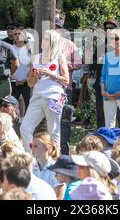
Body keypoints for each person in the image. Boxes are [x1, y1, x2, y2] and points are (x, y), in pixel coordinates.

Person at [20, 30, 69, 152]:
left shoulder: (59, 57)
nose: (43, 41)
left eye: (46, 39)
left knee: (54, 130)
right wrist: (35, 76)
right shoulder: (35, 58)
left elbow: (66, 81)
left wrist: (52, 75)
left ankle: (55, 159)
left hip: (55, 97)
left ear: (53, 43)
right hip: (37, 97)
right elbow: (30, 83)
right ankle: (32, 157)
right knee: (25, 128)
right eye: (44, 38)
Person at [82, 19, 120, 129]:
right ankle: (102, 139)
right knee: (102, 115)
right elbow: (93, 67)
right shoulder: (101, 46)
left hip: (119, 86)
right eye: (106, 29)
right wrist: (98, 62)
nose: (108, 30)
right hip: (102, 85)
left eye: (111, 28)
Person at [55, 16, 83, 155]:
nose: (56, 30)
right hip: (50, 89)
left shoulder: (69, 44)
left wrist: (65, 65)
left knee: (65, 119)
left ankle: (64, 151)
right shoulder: (46, 44)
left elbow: (79, 63)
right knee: (51, 118)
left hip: (65, 89)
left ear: (62, 30)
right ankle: (53, 149)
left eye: (58, 28)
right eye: (54, 27)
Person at [10, 27, 32, 114]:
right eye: (15, 34)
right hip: (13, 81)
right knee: (10, 104)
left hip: (27, 81)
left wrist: (26, 78)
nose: (17, 36)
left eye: (20, 34)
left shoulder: (30, 49)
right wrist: (12, 78)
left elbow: (33, 65)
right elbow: (7, 64)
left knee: (28, 103)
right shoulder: (10, 48)